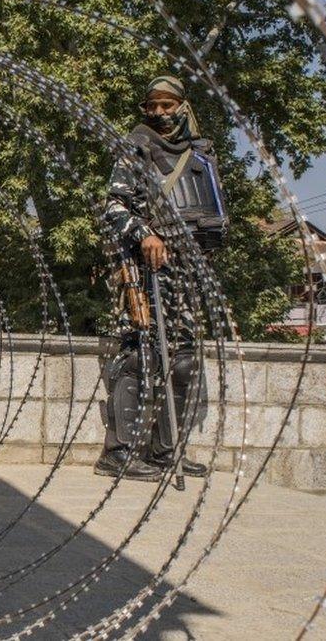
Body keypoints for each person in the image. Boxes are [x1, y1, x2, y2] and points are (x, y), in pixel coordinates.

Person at [95, 75, 226, 482]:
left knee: (184, 361)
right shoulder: (136, 149)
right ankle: (117, 454)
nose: (158, 113)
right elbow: (113, 208)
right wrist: (145, 234)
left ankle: (166, 452)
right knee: (139, 356)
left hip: (187, 270)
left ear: (183, 107)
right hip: (146, 268)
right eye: (152, 106)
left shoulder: (201, 155)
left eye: (167, 106)